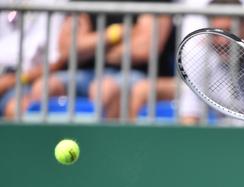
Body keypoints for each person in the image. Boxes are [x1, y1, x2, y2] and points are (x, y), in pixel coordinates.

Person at [28, 0, 175, 120]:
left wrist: (89, 46)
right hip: (85, 74)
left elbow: (144, 48)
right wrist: (114, 35)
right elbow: (67, 48)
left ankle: (109, 150)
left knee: (104, 89)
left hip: (136, 74)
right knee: (42, 87)